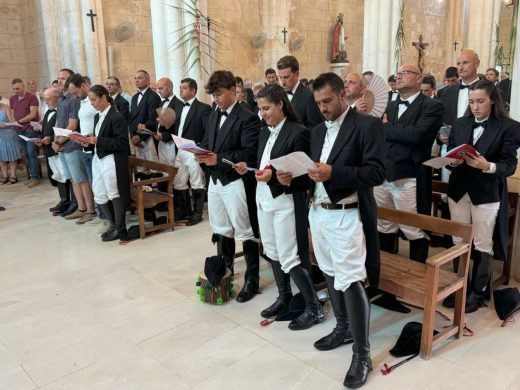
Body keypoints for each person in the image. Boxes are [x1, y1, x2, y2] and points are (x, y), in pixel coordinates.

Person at [308, 72, 385, 388]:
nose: (323, 108)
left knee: (351, 280)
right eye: (318, 103)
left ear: (342, 95)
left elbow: (377, 172)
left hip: (347, 215)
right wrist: (295, 177)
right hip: (318, 213)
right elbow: (314, 170)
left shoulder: (366, 125)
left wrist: (334, 172)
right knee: (328, 272)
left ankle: (362, 353)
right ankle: (342, 327)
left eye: (327, 101)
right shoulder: (316, 132)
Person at [237, 84, 323, 330]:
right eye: (260, 109)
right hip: (264, 198)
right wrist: (249, 167)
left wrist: (274, 177)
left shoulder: (299, 132)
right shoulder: (265, 131)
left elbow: (307, 174)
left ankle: (313, 307)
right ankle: (284, 296)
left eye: (266, 108)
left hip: (286, 202)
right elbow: (263, 163)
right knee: (272, 251)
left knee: (289, 256)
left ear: (281, 104)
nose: (262, 114)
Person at [446, 79, 520, 313]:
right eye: (471, 102)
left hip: (486, 192)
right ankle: (459, 288)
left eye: (480, 101)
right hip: (458, 190)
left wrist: (487, 166)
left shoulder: (509, 127)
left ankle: (478, 293)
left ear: (492, 100)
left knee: (482, 243)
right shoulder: (460, 124)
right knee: (458, 241)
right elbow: (450, 156)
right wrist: (453, 161)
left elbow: (509, 165)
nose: (475, 107)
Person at [197, 70, 260, 303]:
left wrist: (218, 158)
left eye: (219, 94)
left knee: (245, 230)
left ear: (234, 91)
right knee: (221, 228)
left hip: (236, 182)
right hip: (215, 180)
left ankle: (252, 279)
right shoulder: (214, 113)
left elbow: (250, 153)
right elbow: (208, 142)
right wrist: (200, 152)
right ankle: (225, 270)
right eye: (213, 95)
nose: (216, 99)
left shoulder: (248, 117)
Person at [86, 85, 130, 242]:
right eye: (90, 100)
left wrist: (99, 140)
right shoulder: (98, 116)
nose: (92, 103)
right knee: (99, 192)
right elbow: (99, 137)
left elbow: (122, 143)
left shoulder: (116, 117)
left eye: (93, 99)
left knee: (114, 193)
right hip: (100, 158)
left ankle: (120, 228)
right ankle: (112, 223)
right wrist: (88, 141)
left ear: (103, 97)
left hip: (113, 160)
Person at [54, 71, 97, 224]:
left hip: (74, 145)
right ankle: (82, 207)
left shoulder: (74, 99)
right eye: (59, 78)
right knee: (73, 179)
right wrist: (56, 140)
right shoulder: (62, 99)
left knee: (82, 179)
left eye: (63, 78)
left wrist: (59, 142)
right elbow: (59, 122)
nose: (60, 81)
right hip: (70, 144)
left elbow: (72, 125)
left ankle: (91, 209)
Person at [169, 78, 211, 226]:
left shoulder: (204, 108)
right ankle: (184, 209)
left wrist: (199, 148)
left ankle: (197, 213)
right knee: (179, 180)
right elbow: (178, 128)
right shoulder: (179, 108)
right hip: (180, 148)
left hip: (193, 149)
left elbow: (208, 132)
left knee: (196, 180)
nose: (181, 90)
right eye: (180, 87)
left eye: (184, 88)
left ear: (193, 91)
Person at [38, 87, 69, 213]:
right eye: (44, 99)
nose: (46, 101)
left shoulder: (61, 112)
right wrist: (40, 140)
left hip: (58, 148)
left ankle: (68, 201)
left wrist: (50, 138)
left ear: (57, 97)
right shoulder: (47, 112)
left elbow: (62, 130)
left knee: (64, 175)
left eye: (48, 99)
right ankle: (63, 199)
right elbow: (45, 129)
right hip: (49, 150)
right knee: (57, 175)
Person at [276, 55, 323, 128]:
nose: (282, 82)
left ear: (297, 74)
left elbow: (314, 128)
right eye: (280, 77)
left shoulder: (309, 96)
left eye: (286, 77)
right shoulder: (279, 94)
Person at [10, 78, 40, 186]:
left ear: (23, 86)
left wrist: (19, 121)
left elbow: (33, 114)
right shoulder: (12, 98)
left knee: (32, 153)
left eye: (18, 88)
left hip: (30, 129)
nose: (16, 91)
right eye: (14, 89)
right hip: (19, 130)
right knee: (26, 154)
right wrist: (14, 123)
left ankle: (36, 178)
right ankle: (31, 176)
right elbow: (13, 113)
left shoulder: (32, 97)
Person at [129, 70, 162, 162]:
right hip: (136, 137)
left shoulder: (153, 96)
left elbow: (153, 119)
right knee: (141, 169)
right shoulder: (134, 97)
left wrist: (140, 137)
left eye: (140, 78)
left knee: (154, 169)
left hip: (148, 137)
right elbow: (131, 119)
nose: (136, 80)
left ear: (148, 80)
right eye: (135, 78)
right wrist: (132, 136)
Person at [0, 100, 21, 184]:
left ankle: (13, 176)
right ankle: (5, 176)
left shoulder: (6, 107)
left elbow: (12, 122)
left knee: (12, 156)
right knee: (1, 157)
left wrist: (5, 125)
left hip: (9, 134)